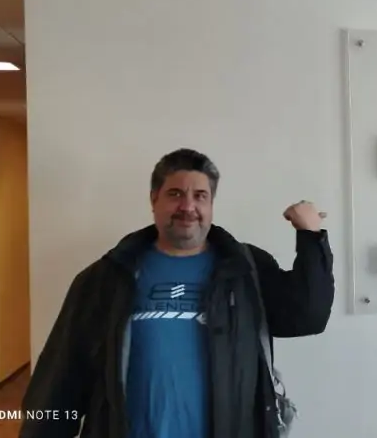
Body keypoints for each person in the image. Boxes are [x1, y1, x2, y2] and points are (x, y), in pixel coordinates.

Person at [18, 148, 335, 438]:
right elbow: (59, 381)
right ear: (154, 199)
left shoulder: (246, 270)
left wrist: (311, 237)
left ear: (211, 205)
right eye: (175, 194)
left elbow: (307, 317)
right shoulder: (106, 278)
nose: (188, 206)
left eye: (200, 196)